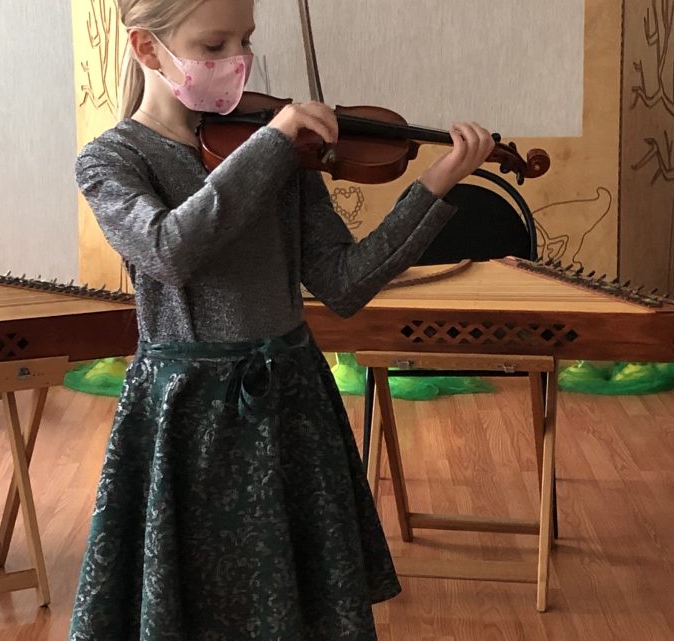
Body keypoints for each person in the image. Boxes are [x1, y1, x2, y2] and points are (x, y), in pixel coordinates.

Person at [69, 0, 495, 639]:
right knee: (199, 600)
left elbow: (345, 283)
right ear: (146, 48)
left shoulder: (280, 151)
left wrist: (437, 182)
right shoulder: (113, 159)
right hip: (187, 412)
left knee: (298, 605)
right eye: (214, 46)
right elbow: (168, 250)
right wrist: (271, 145)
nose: (237, 61)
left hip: (291, 399)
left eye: (245, 40)